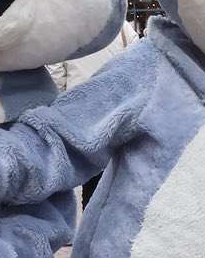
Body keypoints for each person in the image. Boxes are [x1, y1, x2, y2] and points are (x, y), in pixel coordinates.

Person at [54, 13, 140, 208]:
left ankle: (88, 226)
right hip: (117, 112)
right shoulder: (124, 30)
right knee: (115, 176)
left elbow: (56, 78)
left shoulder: (68, 31)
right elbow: (137, 70)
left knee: (88, 177)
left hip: (79, 116)